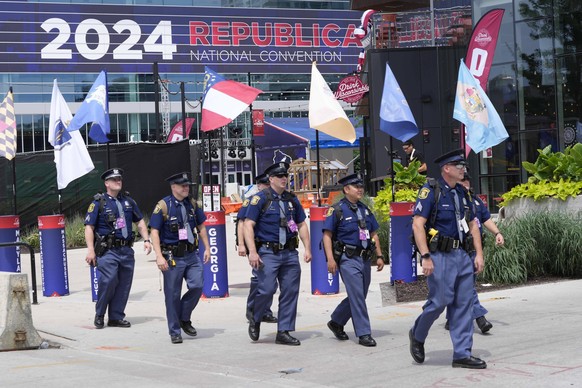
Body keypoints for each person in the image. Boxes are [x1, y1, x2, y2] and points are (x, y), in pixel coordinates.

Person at [408, 149, 487, 369]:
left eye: (463, 166)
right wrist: (425, 256)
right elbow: (418, 224)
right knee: (439, 302)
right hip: (439, 256)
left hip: (462, 255)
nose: (463, 169)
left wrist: (478, 254)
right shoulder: (431, 191)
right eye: (459, 166)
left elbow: (473, 224)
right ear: (447, 169)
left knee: (464, 305)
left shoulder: (463, 193)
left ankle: (462, 354)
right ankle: (418, 333)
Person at [243, 162, 312, 346]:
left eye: (285, 176)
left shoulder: (292, 199)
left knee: (290, 291)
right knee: (266, 289)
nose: (284, 179)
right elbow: (248, 224)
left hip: (289, 253)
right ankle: (256, 317)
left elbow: (301, 224)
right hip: (267, 252)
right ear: (271, 179)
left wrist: (307, 248)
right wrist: (252, 252)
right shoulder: (260, 199)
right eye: (280, 176)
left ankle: (284, 331)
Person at [84, 168, 152, 329]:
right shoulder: (98, 203)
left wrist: (147, 239)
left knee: (124, 284)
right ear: (107, 183)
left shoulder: (128, 201)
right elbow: (89, 227)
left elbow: (140, 221)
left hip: (126, 250)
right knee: (108, 280)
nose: (118, 181)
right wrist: (90, 250)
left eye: (119, 178)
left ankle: (116, 316)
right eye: (114, 179)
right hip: (108, 251)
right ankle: (100, 314)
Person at [323, 173, 385, 347]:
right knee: (357, 295)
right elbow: (327, 236)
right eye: (356, 187)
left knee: (360, 295)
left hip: (364, 258)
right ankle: (364, 333)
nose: (360, 189)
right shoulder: (337, 210)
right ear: (346, 189)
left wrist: (379, 255)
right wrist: (330, 259)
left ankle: (336, 321)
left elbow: (373, 234)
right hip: (347, 259)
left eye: (361, 186)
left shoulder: (365, 209)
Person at [149, 172, 211, 344]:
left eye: (187, 185)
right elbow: (154, 232)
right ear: (173, 187)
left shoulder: (192, 204)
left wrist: (208, 248)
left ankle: (184, 317)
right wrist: (159, 256)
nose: (186, 188)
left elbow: (201, 227)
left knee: (197, 286)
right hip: (172, 257)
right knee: (173, 295)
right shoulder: (163, 206)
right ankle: (174, 330)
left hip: (192, 255)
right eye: (182, 185)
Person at [445, 173, 505, 333]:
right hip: (455, 250)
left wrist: (497, 233)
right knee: (461, 286)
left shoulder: (474, 201)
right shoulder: (449, 199)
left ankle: (454, 318)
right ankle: (480, 317)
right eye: (461, 181)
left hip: (472, 250)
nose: (464, 184)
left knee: (466, 286)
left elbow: (486, 219)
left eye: (466, 181)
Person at [237, 173, 277, 324]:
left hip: (269, 245)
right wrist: (242, 245)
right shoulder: (251, 201)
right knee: (259, 278)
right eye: (265, 185)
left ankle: (265, 310)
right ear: (259, 185)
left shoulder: (274, 200)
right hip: (256, 245)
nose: (268, 187)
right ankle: (252, 308)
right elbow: (242, 223)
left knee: (268, 279)